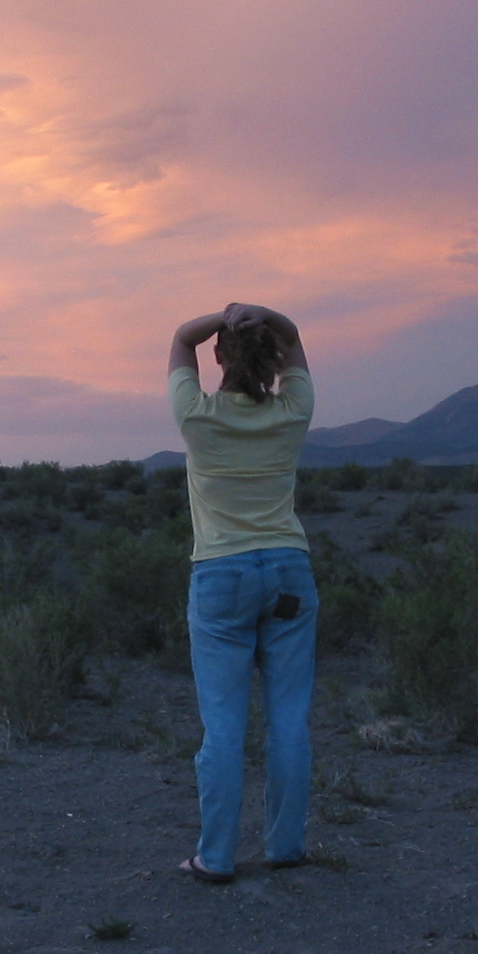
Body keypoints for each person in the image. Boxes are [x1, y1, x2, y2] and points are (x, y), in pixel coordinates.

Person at [166, 302, 318, 882]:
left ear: (220, 358)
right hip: (288, 571)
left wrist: (221, 318)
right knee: (288, 720)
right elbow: (295, 334)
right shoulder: (292, 412)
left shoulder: (197, 417)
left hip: (221, 576)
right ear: (275, 359)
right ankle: (285, 847)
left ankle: (218, 856)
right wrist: (266, 316)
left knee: (224, 727)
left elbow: (182, 339)